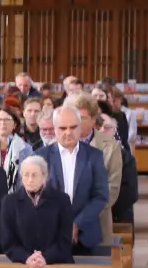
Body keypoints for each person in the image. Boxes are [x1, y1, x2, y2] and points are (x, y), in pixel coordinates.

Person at [41, 106, 108, 254]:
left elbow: (101, 196)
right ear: (55, 128)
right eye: (63, 128)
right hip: (50, 235)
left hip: (86, 236)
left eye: (73, 127)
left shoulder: (94, 156)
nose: (68, 132)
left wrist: (77, 224)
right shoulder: (40, 157)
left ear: (80, 127)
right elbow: (34, 196)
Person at [70, 92, 122, 243]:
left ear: (93, 120)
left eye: (83, 118)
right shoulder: (60, 144)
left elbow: (112, 189)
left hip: (97, 221)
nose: (77, 122)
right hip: (64, 222)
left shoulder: (111, 146)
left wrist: (82, 218)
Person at [101, 112, 140, 225]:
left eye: (107, 128)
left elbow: (130, 192)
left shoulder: (125, 156)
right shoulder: (87, 154)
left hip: (117, 215)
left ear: (114, 131)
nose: (102, 130)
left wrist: (105, 209)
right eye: (98, 128)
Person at [0, 106, 32, 190]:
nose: (3, 123)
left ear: (15, 124)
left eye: (7, 120)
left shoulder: (25, 148)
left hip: (17, 195)